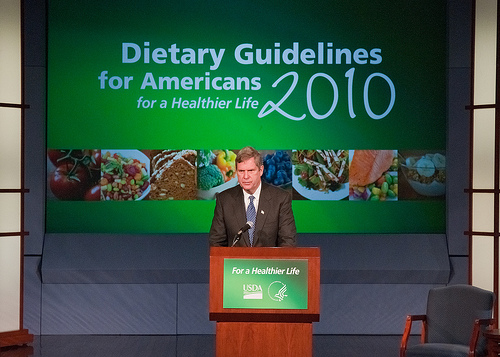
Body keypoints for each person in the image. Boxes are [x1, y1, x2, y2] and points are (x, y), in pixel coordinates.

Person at [209, 146, 297, 247]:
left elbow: (288, 241)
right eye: (241, 171)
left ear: (261, 170)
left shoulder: (280, 199)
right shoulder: (224, 199)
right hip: (236, 262)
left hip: (269, 262)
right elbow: (216, 243)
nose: (245, 177)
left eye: (250, 171)